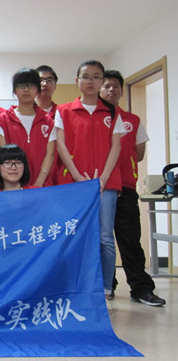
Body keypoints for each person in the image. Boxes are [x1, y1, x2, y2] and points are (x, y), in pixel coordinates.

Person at [55, 60, 126, 310]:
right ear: (77, 81)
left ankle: (106, 287)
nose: (90, 81)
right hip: (73, 185)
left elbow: (116, 146)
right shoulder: (64, 111)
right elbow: (60, 145)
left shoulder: (112, 112)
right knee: (74, 235)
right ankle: (73, 285)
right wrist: (76, 176)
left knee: (105, 237)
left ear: (102, 81)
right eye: (85, 76)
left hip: (105, 185)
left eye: (96, 77)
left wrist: (102, 180)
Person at [100, 70, 166, 307]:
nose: (111, 90)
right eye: (106, 85)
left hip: (125, 188)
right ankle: (106, 285)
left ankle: (141, 288)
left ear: (121, 90)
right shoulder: (94, 118)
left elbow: (138, 154)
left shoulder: (132, 120)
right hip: (100, 188)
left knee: (130, 241)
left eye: (115, 86)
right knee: (101, 241)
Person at [0, 69, 55, 187]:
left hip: (42, 186)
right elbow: (4, 156)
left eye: (31, 85)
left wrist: (38, 184)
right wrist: (17, 186)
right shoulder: (2, 121)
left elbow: (50, 155)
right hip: (12, 186)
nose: (26, 90)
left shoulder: (48, 122)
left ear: (38, 90)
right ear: (14, 90)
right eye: (21, 85)